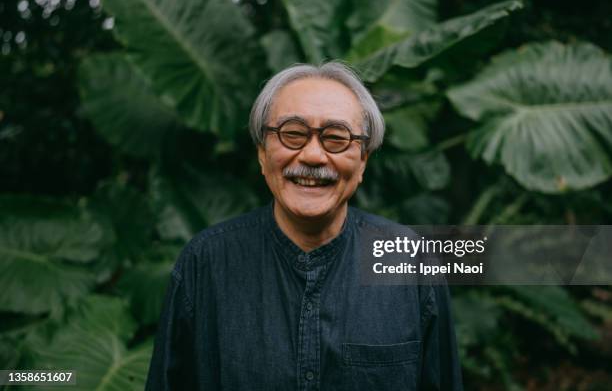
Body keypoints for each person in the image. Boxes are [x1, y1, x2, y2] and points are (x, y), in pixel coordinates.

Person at [145, 62, 463, 390]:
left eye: (336, 138)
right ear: (262, 154)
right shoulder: (206, 263)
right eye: (293, 134)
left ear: (363, 160)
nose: (313, 156)